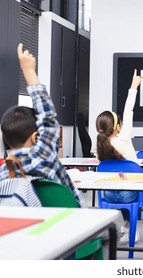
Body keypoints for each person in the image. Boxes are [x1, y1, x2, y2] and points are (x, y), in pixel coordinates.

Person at [0, 43, 86, 208]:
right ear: (35, 136)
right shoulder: (43, 157)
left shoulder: (4, 173)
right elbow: (47, 116)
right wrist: (29, 72)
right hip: (74, 225)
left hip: (36, 230)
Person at [95, 69, 140, 242]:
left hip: (108, 194)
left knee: (119, 185)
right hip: (128, 193)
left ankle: (127, 226)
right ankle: (131, 226)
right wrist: (133, 86)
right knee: (136, 189)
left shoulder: (100, 145)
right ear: (118, 127)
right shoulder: (123, 138)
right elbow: (128, 110)